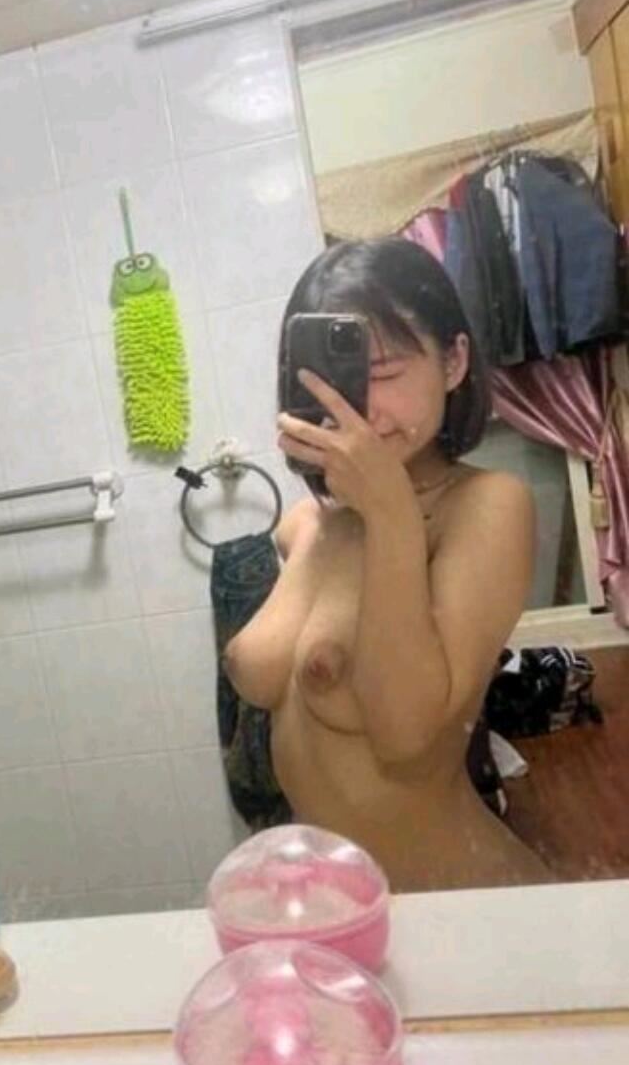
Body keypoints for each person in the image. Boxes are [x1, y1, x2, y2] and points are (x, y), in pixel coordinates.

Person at [224, 239, 551, 891]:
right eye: (342, 376)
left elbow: (406, 736)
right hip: (344, 908)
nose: (361, 409)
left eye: (386, 371)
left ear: (453, 361)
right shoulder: (308, 525)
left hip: (459, 902)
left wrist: (391, 513)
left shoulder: (486, 507)